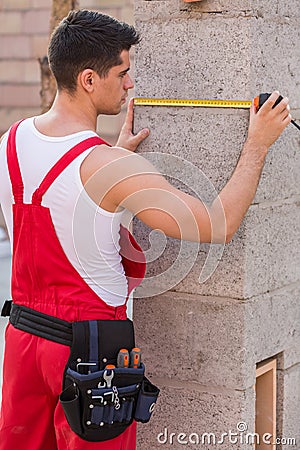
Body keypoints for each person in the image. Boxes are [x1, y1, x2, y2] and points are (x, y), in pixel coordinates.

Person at [0, 8, 291, 450]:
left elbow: (61, 200)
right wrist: (258, 144)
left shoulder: (11, 140)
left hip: (23, 343)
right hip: (90, 356)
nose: (131, 83)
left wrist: (112, 163)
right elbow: (218, 224)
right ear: (89, 80)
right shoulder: (111, 169)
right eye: (123, 72)